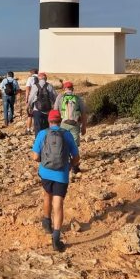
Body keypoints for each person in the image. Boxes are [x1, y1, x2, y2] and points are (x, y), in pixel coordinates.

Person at [31, 109, 79, 252]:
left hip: (45, 173)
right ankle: (56, 240)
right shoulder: (67, 135)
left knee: (47, 195)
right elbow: (76, 158)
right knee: (58, 203)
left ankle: (46, 223)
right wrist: (69, 166)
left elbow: (35, 156)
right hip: (61, 174)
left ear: (49, 121)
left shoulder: (42, 134)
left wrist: (42, 161)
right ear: (60, 120)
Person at [58, 81, 87, 172]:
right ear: (72, 88)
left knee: (64, 143)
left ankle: (64, 163)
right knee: (74, 145)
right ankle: (75, 166)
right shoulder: (78, 98)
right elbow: (83, 113)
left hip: (63, 123)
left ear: (64, 89)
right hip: (75, 124)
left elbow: (55, 111)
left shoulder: (60, 98)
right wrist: (84, 126)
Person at [22, 68, 40, 133]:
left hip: (32, 98)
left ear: (31, 73)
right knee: (37, 114)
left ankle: (28, 129)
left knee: (30, 114)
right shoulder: (40, 78)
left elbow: (27, 89)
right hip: (40, 98)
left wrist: (26, 98)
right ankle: (36, 128)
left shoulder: (30, 78)